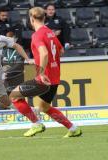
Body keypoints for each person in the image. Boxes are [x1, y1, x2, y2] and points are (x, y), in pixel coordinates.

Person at [9, 7, 82, 138]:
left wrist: (41, 72)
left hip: (44, 78)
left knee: (14, 96)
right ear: (44, 18)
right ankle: (73, 128)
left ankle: (36, 124)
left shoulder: (37, 35)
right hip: (54, 78)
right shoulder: (51, 33)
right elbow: (60, 51)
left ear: (31, 19)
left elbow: (44, 53)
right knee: (45, 108)